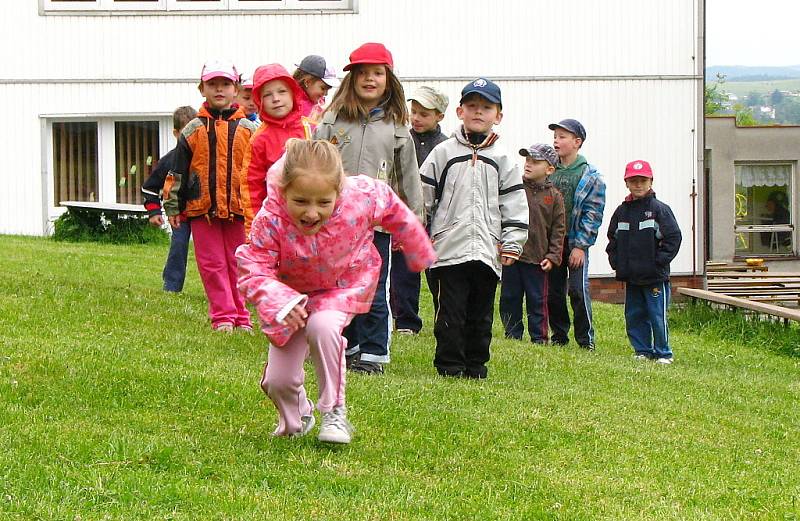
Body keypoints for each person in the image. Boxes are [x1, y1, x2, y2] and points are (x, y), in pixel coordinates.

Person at [236, 139, 435, 443]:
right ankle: (297, 417)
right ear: (284, 191)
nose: (312, 213)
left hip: (341, 285)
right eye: (301, 201)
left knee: (323, 327)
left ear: (338, 193)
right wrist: (280, 300)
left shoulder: (361, 197)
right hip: (291, 298)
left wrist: (419, 249)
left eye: (323, 203)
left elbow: (396, 211)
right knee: (278, 381)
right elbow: (253, 266)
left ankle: (334, 413)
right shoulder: (271, 217)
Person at [314, 42, 423, 374]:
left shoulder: (397, 126)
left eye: (377, 73)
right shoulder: (332, 121)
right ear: (352, 79)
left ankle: (374, 354)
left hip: (376, 225)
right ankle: (349, 346)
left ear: (389, 80)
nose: (370, 79)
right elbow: (313, 167)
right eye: (363, 73)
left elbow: (407, 178)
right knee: (338, 286)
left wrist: (412, 223)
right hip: (335, 224)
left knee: (374, 289)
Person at [421, 78, 528, 379]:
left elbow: (514, 203)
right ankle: (450, 365)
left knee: (481, 312)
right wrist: (416, 236)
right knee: (450, 311)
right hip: (448, 249)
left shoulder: (503, 159)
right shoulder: (443, 153)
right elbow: (423, 197)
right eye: (472, 106)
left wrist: (512, 242)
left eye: (486, 107)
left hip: (487, 248)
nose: (478, 112)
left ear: (498, 115)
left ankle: (476, 365)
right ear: (459, 111)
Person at [162, 59, 258, 332]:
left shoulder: (250, 130)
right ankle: (222, 316)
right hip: (201, 209)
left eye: (226, 84)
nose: (219, 89)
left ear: (235, 88)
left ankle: (241, 316)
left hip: (239, 210)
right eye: (212, 84)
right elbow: (176, 171)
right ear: (201, 88)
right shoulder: (192, 130)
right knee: (212, 264)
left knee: (239, 263)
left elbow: (258, 172)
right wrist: (173, 208)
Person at [606, 160, 681, 364]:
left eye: (642, 180)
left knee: (657, 315)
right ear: (626, 183)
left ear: (651, 182)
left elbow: (673, 238)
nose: (638, 185)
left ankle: (663, 352)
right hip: (631, 277)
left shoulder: (659, 210)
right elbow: (612, 239)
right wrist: (617, 263)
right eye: (633, 180)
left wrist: (658, 262)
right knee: (634, 315)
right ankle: (642, 350)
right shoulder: (621, 212)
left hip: (654, 277)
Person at [391, 86, 449, 334]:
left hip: (437, 219)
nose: (416, 118)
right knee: (404, 271)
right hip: (407, 217)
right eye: (413, 112)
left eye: (424, 114)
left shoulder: (445, 148)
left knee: (439, 273)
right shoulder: (402, 140)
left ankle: (444, 318)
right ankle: (406, 321)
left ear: (439, 116)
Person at [546, 118, 606, 350]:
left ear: (577, 142)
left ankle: (585, 340)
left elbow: (593, 213)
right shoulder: (549, 170)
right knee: (553, 292)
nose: (556, 141)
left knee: (578, 290)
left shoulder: (590, 175)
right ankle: (559, 336)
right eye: (555, 137)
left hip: (575, 241)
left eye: (562, 137)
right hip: (554, 242)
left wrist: (581, 246)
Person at [499, 144, 566, 343]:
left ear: (549, 169)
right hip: (512, 255)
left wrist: (553, 257)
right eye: (527, 160)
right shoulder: (514, 189)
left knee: (538, 300)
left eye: (535, 162)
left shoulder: (554, 197)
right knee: (510, 297)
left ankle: (539, 337)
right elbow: (500, 215)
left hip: (538, 260)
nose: (528, 165)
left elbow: (558, 230)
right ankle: (512, 334)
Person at [241, 63, 309, 239]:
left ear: (294, 93)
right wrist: (253, 228)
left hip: (314, 216)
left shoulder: (312, 129)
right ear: (259, 101)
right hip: (277, 222)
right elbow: (251, 185)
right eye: (267, 95)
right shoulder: (258, 139)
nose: (276, 99)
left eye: (282, 91)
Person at [141, 105, 197, 293]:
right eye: (185, 133)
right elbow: (149, 187)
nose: (190, 139)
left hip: (204, 213)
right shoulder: (169, 161)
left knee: (210, 254)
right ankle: (172, 286)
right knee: (179, 247)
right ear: (176, 133)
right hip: (178, 214)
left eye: (195, 133)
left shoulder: (205, 160)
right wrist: (154, 211)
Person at [292, 55, 340, 125]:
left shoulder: (317, 104)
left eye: (328, 89)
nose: (326, 94)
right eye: (323, 88)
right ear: (307, 82)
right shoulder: (295, 105)